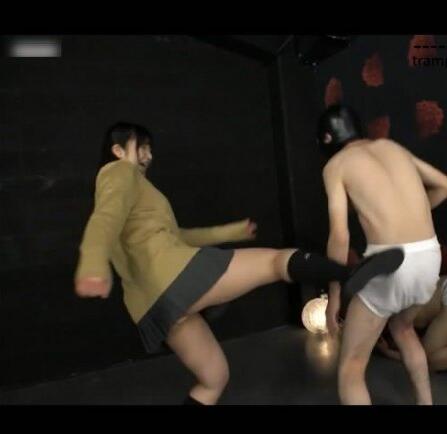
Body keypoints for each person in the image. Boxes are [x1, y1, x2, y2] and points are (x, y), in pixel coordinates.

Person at [74, 122, 403, 405]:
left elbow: (180, 236)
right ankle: (349, 273)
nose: (148, 156)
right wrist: (92, 265)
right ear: (118, 151)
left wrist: (231, 232)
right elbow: (104, 220)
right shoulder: (118, 173)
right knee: (276, 261)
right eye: (141, 148)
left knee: (213, 378)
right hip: (173, 276)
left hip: (154, 304)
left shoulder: (135, 190)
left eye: (149, 149)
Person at [318, 105, 447, 405]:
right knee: (403, 328)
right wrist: (411, 217)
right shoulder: (392, 147)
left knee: (351, 367)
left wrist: (333, 297)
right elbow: (446, 186)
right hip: (429, 256)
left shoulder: (336, 165)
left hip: (389, 262)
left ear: (327, 139)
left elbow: (340, 235)